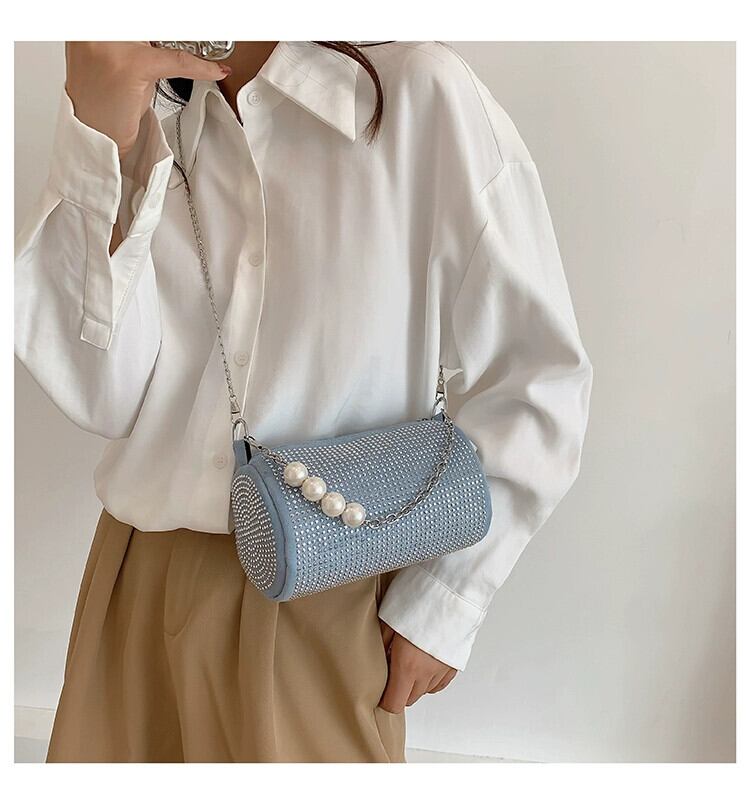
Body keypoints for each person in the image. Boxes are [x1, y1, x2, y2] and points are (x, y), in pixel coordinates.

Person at [14, 40, 593, 762]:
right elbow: (104, 396)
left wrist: (444, 601)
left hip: (327, 595)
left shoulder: (418, 95)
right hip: (133, 582)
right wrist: (99, 133)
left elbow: (536, 376)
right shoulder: (158, 110)